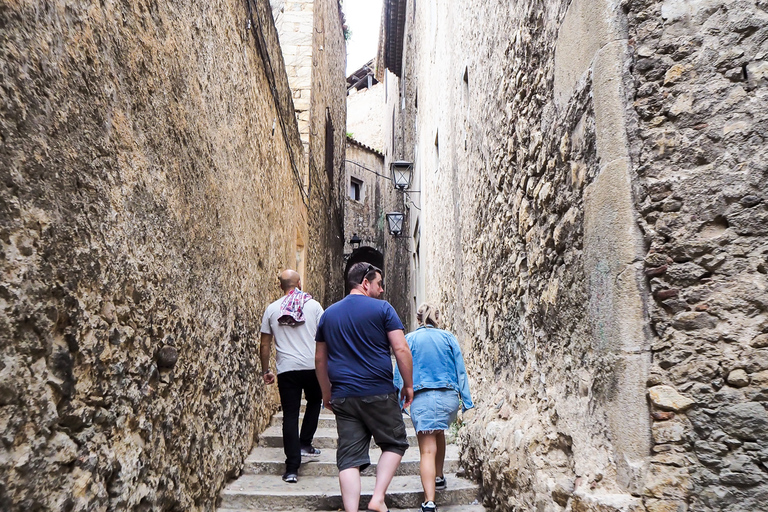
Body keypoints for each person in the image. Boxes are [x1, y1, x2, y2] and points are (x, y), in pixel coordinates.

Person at [315, 262, 414, 512]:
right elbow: (401, 348)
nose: (381, 290)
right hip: (378, 391)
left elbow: (319, 359)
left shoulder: (328, 314)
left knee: (348, 458)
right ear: (365, 283)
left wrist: (326, 393)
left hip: (343, 396)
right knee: (395, 443)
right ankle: (378, 498)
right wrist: (408, 385)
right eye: (379, 284)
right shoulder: (383, 309)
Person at [394, 303, 474, 512]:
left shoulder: (409, 339)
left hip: (422, 398)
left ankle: (429, 501)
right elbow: (461, 371)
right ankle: (438, 476)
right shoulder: (448, 338)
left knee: (427, 450)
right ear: (437, 318)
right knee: (439, 433)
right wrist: (467, 403)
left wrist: (398, 401)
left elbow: (399, 372)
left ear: (418, 318)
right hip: (448, 399)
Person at [260, 269, 324, 484]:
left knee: (290, 415)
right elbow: (325, 336)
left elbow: (265, 343)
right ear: (299, 283)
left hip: (287, 369)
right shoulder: (313, 306)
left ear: (281, 286)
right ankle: (305, 442)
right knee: (315, 401)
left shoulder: (272, 309)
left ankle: (292, 469)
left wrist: (265, 370)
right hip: (312, 367)